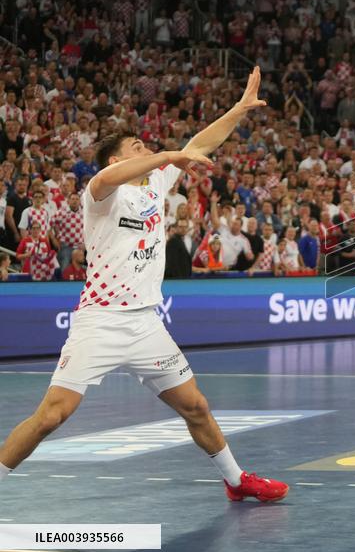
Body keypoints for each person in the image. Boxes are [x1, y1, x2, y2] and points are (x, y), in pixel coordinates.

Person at [0, 68, 289, 503]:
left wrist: (239, 109)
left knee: (196, 406)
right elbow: (109, 177)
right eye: (136, 146)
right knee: (52, 416)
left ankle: (236, 481)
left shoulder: (154, 183)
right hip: (100, 322)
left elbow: (200, 145)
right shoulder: (100, 194)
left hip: (145, 325)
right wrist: (166, 155)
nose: (145, 149)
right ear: (116, 160)